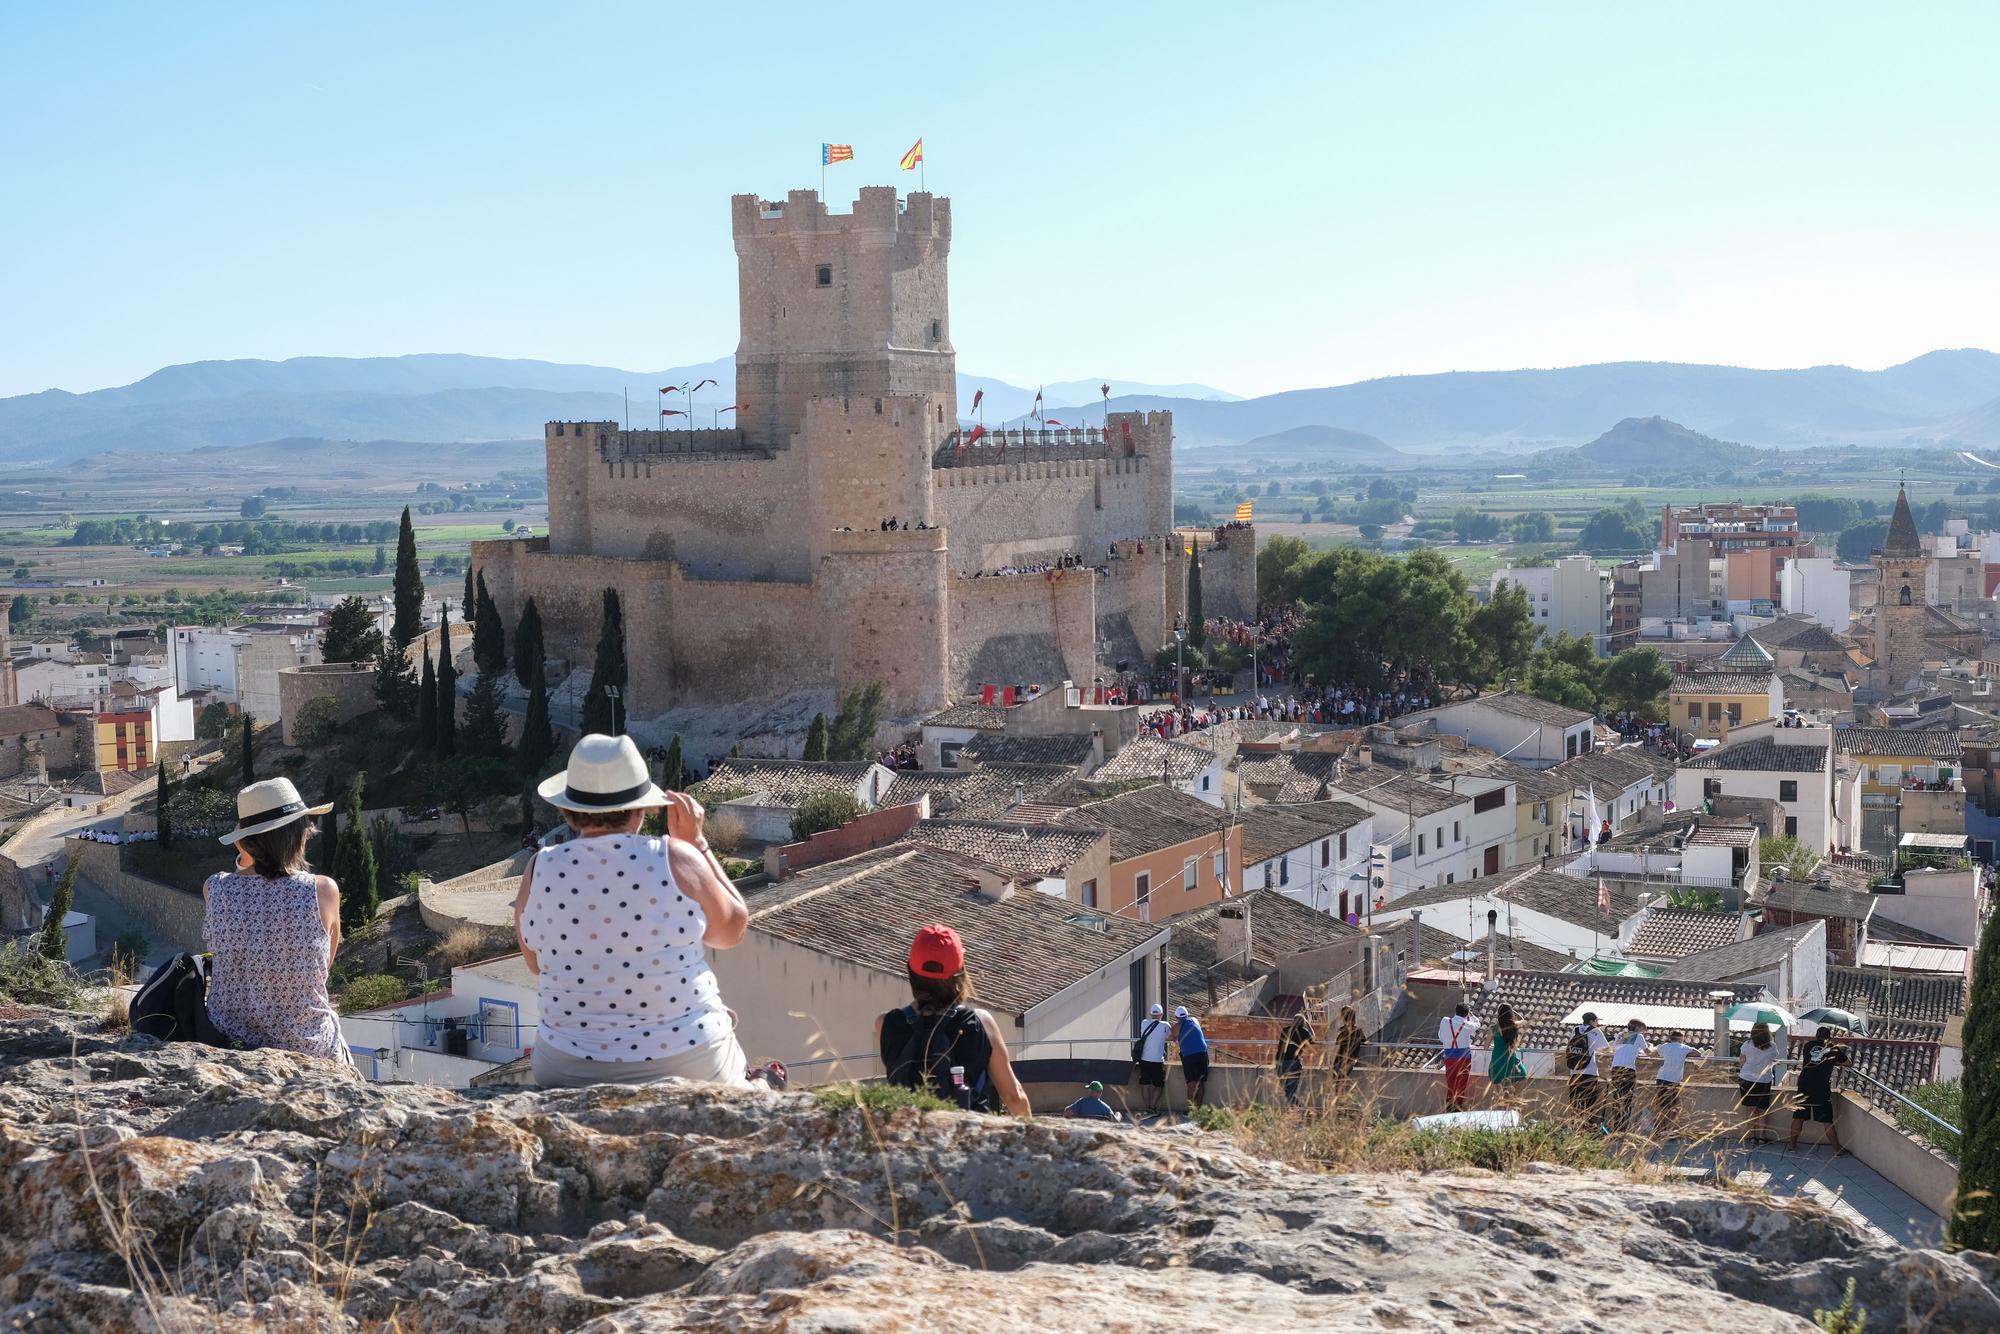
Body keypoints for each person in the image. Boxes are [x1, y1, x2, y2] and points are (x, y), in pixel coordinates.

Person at [514, 734, 752, 1089]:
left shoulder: (540, 867)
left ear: (569, 809)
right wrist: (698, 845)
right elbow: (732, 930)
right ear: (642, 808)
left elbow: (536, 963)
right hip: (688, 1061)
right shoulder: (675, 857)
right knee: (727, 1030)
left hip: (566, 1069)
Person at [200, 778, 349, 1063]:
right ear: (297, 834)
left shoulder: (215, 888)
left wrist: (247, 852)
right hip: (308, 1049)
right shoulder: (323, 891)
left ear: (244, 841)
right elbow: (321, 971)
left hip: (231, 1045)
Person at [878, 923, 1031, 1116]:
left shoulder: (886, 1023)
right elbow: (1014, 1097)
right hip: (969, 1139)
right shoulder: (981, 1023)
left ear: (911, 970)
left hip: (908, 1139)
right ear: (960, 973)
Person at [1786, 1026, 1851, 1155]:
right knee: (1826, 1120)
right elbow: (1848, 1063)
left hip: (1804, 1084)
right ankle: (1837, 1150)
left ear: (1816, 1036)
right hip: (1821, 1087)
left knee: (1798, 1117)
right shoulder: (1833, 1049)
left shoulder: (1808, 1046)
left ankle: (1792, 1145)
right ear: (1829, 1037)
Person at [1736, 1021, 1783, 1141]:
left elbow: (1742, 1061)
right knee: (1762, 1109)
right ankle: (1762, 1136)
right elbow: (1773, 1059)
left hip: (1746, 1078)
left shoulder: (1746, 1045)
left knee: (1750, 1109)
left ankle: (1752, 1136)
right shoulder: (1772, 1046)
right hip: (1764, 1080)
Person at [1606, 1019, 1653, 1132]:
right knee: (1627, 1099)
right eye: (1643, 1029)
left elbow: (1621, 1048)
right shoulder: (1638, 1036)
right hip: (1628, 1070)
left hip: (1616, 1068)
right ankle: (1623, 1128)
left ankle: (1616, 1127)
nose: (1643, 1032)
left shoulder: (1621, 1035)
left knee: (1617, 1098)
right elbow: (1649, 1053)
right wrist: (1651, 1046)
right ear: (1637, 1028)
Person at [1652, 1030, 1701, 1133]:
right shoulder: (1684, 1048)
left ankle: (1659, 1129)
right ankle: (1669, 1129)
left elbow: (1654, 1053)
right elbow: (1698, 1053)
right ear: (1681, 1039)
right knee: (1673, 1106)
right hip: (1674, 1080)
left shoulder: (1665, 1046)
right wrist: (1686, 1054)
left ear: (1670, 1038)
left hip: (1661, 1078)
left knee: (1661, 1105)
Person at [1565, 1012, 1610, 1124]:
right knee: (1589, 1102)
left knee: (1575, 1102)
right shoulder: (1596, 1031)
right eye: (1596, 1021)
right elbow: (1606, 1048)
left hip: (1574, 1072)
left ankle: (1575, 1126)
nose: (1598, 1023)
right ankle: (1586, 1128)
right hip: (1589, 1071)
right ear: (1591, 1021)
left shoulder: (1575, 1030)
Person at [1437, 1003, 1480, 1112]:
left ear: (1455, 1010)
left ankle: (1449, 1107)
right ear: (1466, 1014)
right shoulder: (1468, 1024)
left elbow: (1441, 1037)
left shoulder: (1445, 1021)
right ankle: (1458, 1108)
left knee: (1450, 1083)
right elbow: (1478, 1024)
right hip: (1464, 1058)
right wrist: (1471, 1015)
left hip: (1450, 1057)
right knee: (1461, 1084)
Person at [1134, 1003, 1170, 1117]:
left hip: (1144, 1059)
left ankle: (1147, 1108)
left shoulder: (1144, 1023)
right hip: (1157, 1061)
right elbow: (1170, 1037)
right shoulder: (1165, 1025)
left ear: (1150, 1014)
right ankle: (1152, 1107)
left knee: (1145, 1084)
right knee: (1159, 1085)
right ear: (1162, 1014)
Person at [1174, 1006, 1211, 1110]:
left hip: (1189, 1055)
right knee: (1201, 1082)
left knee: (1191, 1083)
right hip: (1202, 1053)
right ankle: (1198, 1109)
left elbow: (1170, 1036)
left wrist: (1176, 1038)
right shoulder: (1194, 1020)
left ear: (1176, 1017)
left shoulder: (1177, 1026)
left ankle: (1191, 1109)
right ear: (1187, 1014)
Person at [1276, 1010, 1314, 1106]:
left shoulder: (1285, 1030)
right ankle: (1300, 1107)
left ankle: (1293, 1110)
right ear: (1303, 1023)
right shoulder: (1304, 1032)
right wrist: (1309, 1025)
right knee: (1290, 1090)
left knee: (1285, 1089)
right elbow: (1313, 1038)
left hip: (1280, 1062)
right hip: (1294, 1062)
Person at [1487, 1003, 1526, 1089]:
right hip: (1510, 1059)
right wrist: (1513, 1011)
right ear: (1510, 1013)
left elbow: (1485, 1047)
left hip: (1497, 1060)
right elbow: (1523, 1020)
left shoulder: (1493, 1028)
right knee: (1515, 1089)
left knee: (1499, 1093)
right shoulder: (1513, 1025)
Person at [1330, 1005, 1365, 1080]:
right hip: (1348, 1061)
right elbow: (1365, 1042)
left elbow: (1336, 1047)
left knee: (1338, 1081)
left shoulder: (1341, 1031)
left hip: (1341, 1061)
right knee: (1341, 1081)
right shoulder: (1358, 1031)